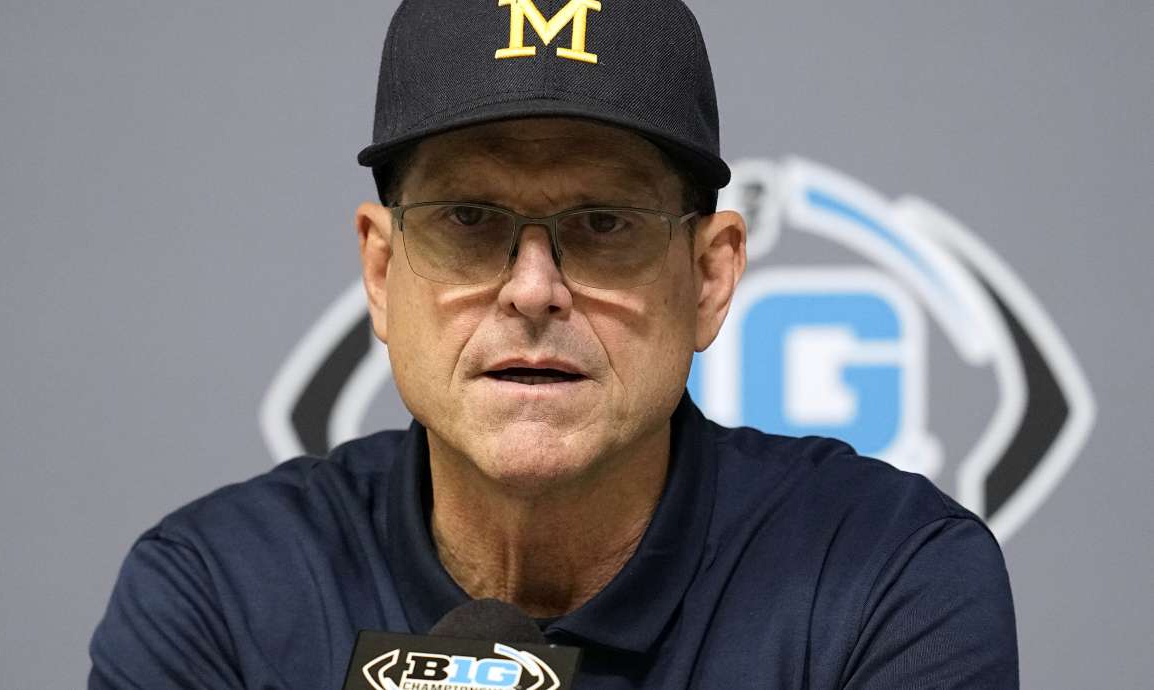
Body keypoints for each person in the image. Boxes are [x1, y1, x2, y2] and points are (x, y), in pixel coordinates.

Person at [89, 1, 1018, 688]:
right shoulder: (218, 592)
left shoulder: (884, 574)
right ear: (381, 272)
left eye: (605, 221)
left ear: (710, 277)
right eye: (468, 218)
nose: (534, 288)